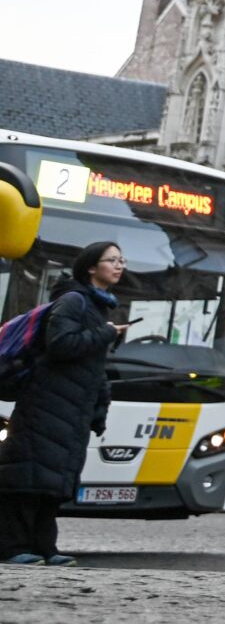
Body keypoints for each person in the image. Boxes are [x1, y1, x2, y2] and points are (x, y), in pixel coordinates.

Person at [0, 242, 123, 565]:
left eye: (121, 260)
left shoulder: (100, 308)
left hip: (72, 408)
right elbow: (61, 345)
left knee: (54, 481)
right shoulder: (73, 301)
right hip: (45, 402)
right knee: (28, 479)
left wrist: (100, 408)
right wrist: (106, 334)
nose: (119, 265)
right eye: (111, 260)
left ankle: (44, 547)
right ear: (91, 268)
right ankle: (12, 547)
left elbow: (93, 368)